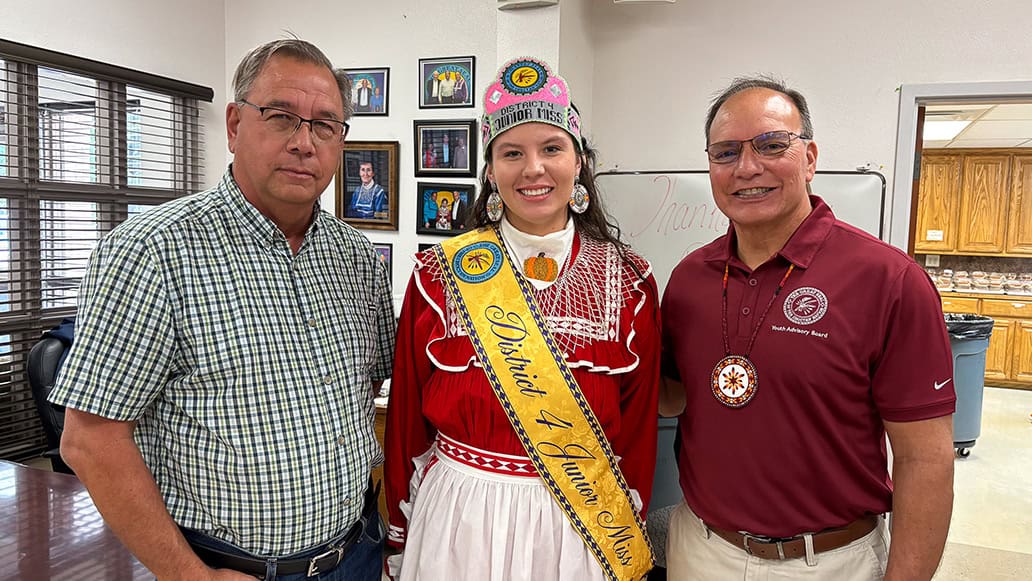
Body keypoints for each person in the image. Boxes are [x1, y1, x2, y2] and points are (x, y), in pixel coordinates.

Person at [49, 38, 396, 581]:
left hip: (357, 554)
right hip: (228, 568)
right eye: (282, 117)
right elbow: (89, 439)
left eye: (325, 125)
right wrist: (193, 577)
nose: (305, 143)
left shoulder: (359, 260)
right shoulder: (151, 250)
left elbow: (369, 390)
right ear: (234, 124)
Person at [659, 76, 956, 580]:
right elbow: (672, 397)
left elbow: (925, 460)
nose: (747, 167)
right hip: (701, 549)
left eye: (772, 145)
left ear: (810, 157)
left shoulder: (889, 279)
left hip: (829, 561)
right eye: (726, 152)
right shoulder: (689, 278)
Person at [385, 57, 661, 581]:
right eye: (512, 153)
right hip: (458, 523)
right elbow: (405, 423)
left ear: (579, 162)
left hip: (580, 529)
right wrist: (398, 535)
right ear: (490, 171)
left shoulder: (631, 283)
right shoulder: (436, 276)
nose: (533, 169)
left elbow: (639, 429)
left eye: (552, 149)